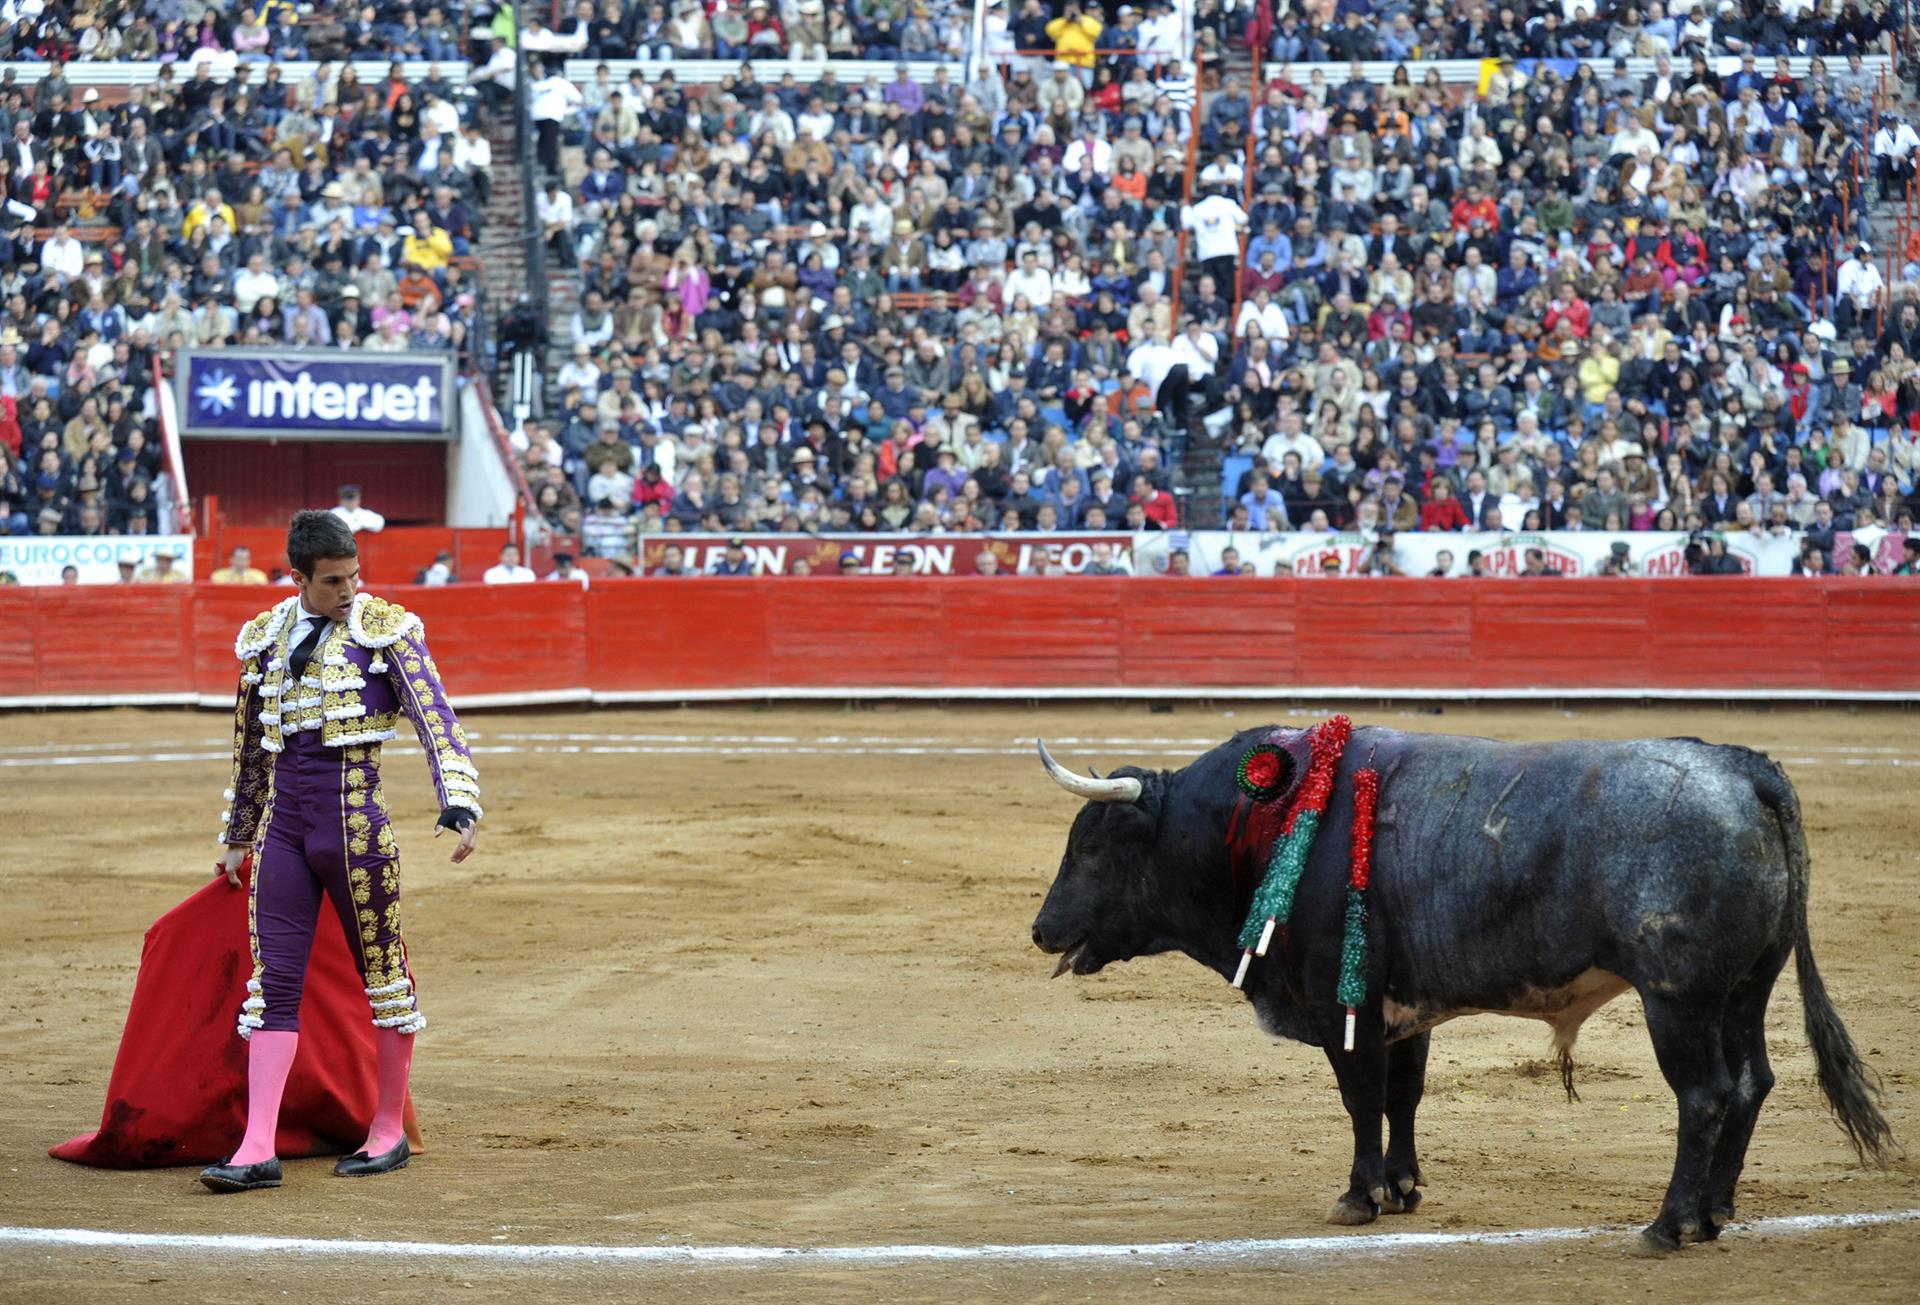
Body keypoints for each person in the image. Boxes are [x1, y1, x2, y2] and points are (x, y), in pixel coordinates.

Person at [200, 511, 481, 1193]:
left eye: (354, 575)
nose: (350, 590)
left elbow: (434, 718)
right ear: (299, 577)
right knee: (273, 983)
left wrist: (460, 798)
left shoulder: (386, 631)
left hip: (355, 828)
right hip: (283, 832)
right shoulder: (265, 640)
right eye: (332, 581)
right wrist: (239, 834)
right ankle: (257, 1145)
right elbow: (250, 752)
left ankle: (387, 1130)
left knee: (382, 975)